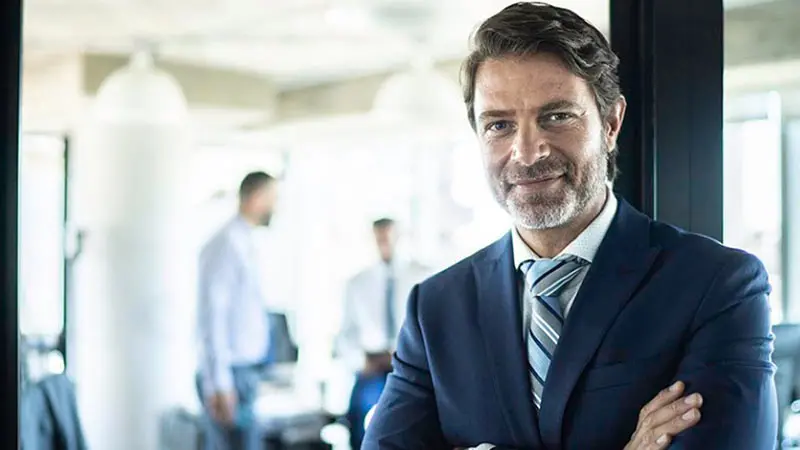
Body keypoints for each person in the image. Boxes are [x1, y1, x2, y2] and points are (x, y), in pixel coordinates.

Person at [363, 3, 777, 450]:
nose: (526, 151)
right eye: (499, 124)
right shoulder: (436, 309)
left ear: (611, 122)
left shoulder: (716, 285)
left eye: (557, 116)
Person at [197, 171, 279, 450]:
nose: (275, 207)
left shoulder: (245, 241)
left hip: (243, 372)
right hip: (231, 373)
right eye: (272, 198)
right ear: (256, 198)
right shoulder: (226, 244)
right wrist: (219, 383)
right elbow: (213, 317)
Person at [336, 218, 430, 450]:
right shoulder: (357, 283)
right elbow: (345, 335)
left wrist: (402, 353)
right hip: (373, 367)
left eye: (388, 236)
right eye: (379, 237)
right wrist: (362, 360)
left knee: (415, 418)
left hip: (410, 364)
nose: (384, 242)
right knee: (360, 414)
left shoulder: (422, 275)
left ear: (398, 237)